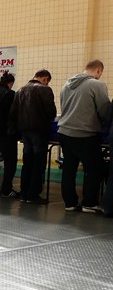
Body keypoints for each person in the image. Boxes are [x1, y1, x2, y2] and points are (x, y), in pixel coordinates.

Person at [57, 59, 110, 213]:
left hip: (64, 132)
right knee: (94, 169)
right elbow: (104, 110)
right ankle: (89, 202)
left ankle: (70, 203)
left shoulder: (67, 84)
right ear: (99, 70)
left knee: (69, 168)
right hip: (85, 134)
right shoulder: (97, 85)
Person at [9, 69, 57, 204]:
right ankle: (33, 194)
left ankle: (24, 193)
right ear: (46, 79)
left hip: (25, 132)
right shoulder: (45, 90)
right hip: (40, 131)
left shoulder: (20, 91)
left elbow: (13, 113)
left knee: (27, 162)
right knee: (38, 163)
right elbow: (51, 111)